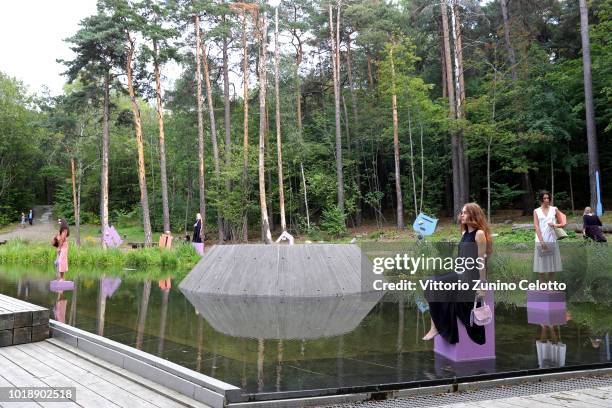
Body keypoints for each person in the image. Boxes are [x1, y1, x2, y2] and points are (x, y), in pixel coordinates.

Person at [422, 203, 493, 344]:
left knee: (434, 284)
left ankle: (435, 327)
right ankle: (436, 326)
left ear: (474, 215)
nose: (461, 215)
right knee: (429, 282)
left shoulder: (479, 234)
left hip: (470, 277)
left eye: (465, 212)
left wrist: (482, 284)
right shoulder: (464, 233)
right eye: (461, 212)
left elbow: (481, 261)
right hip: (460, 272)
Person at [533, 191, 566, 282]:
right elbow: (536, 226)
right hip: (540, 238)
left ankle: (551, 285)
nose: (547, 200)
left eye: (548, 198)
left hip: (552, 238)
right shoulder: (536, 211)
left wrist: (555, 225)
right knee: (541, 264)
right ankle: (542, 286)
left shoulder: (554, 209)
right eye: (544, 198)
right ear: (541, 199)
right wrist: (541, 241)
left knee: (552, 264)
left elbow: (563, 223)